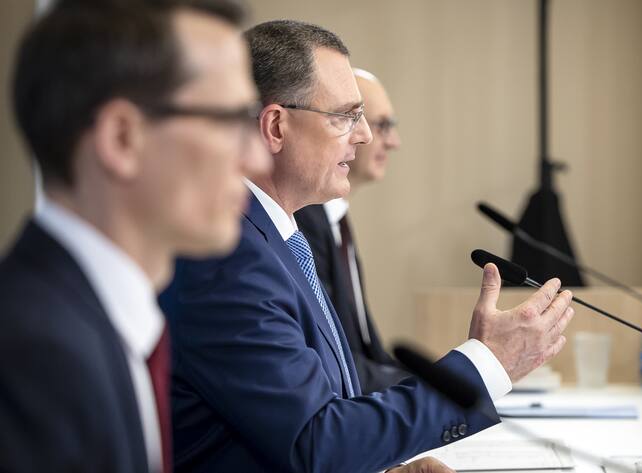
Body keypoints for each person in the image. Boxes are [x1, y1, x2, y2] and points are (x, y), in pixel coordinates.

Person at [160, 19, 575, 473]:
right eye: (345, 116)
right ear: (275, 127)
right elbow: (315, 443)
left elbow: (311, 418)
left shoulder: (275, 237)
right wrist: (486, 364)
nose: (365, 136)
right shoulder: (227, 256)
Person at [0, 1, 269, 471]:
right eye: (232, 122)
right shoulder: (34, 358)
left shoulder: (102, 321)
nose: (258, 160)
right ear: (123, 138)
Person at [295, 68, 408, 394]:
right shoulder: (303, 222)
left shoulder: (337, 223)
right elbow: (335, 361)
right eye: (382, 124)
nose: (392, 141)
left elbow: (366, 351)